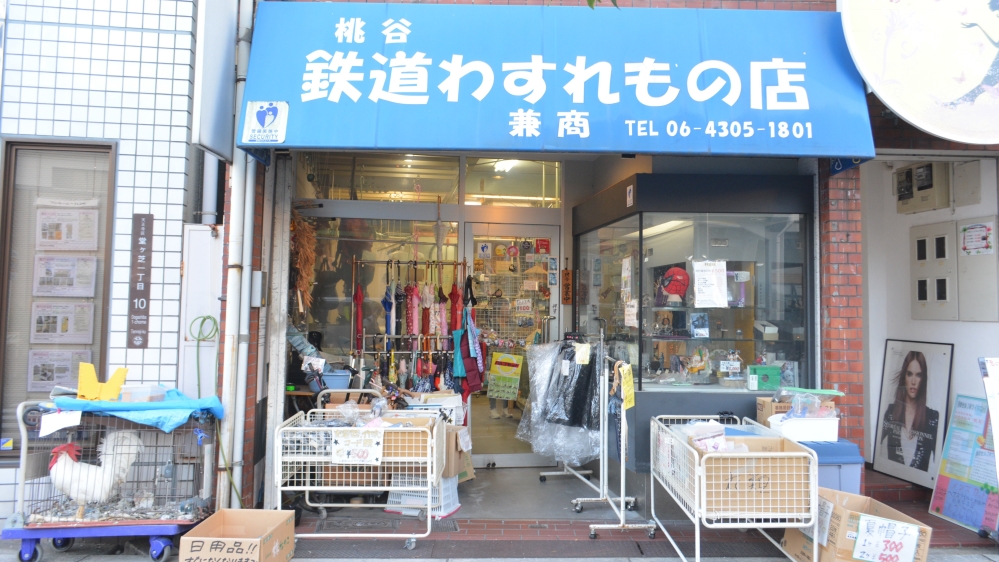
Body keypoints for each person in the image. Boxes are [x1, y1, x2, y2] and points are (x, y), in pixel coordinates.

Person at [880, 351, 940, 472]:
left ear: (923, 379)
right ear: (904, 377)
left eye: (918, 375)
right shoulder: (891, 413)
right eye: (909, 374)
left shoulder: (932, 418)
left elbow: (939, 462)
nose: (913, 381)